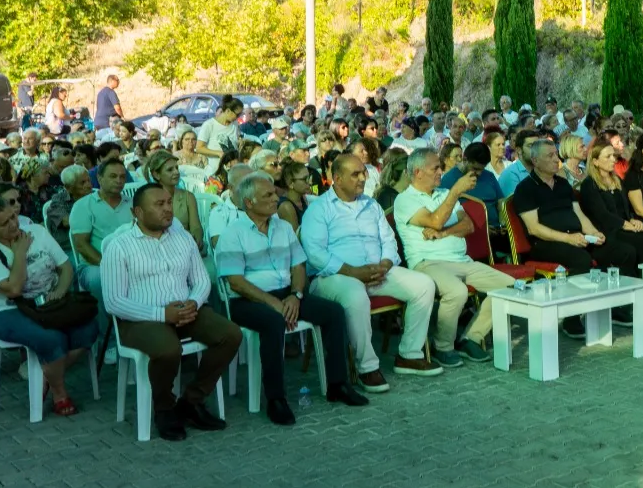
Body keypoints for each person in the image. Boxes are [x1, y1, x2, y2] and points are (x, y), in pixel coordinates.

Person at [217, 173, 366, 424]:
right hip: (247, 301)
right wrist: (273, 302)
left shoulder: (283, 227)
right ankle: (276, 399)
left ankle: (337, 384)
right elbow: (236, 282)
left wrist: (296, 295)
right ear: (249, 203)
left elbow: (299, 266)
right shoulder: (234, 233)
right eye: (268, 195)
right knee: (273, 321)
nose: (276, 198)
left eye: (275, 193)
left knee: (334, 312)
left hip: (287, 294)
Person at [103, 183, 241, 441]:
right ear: (138, 213)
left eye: (169, 202)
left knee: (230, 334)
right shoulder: (119, 246)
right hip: (140, 318)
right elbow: (113, 301)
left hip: (185, 310)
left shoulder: (183, 237)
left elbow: (201, 281)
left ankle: (191, 401)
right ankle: (164, 409)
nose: (168, 209)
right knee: (168, 349)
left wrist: (194, 303)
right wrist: (161, 314)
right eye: (159, 204)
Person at [301, 153, 443, 393]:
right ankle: (366, 367)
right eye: (355, 174)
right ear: (337, 178)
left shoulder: (371, 204)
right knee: (355, 294)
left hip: (377, 272)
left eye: (363, 172)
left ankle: (409, 354)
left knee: (424, 285)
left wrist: (386, 264)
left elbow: (388, 240)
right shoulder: (319, 209)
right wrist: (353, 272)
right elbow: (315, 253)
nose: (362, 178)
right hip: (333, 278)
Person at [0, 194, 97, 416]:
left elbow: (66, 267)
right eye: (4, 223)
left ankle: (46, 374)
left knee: (89, 329)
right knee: (53, 339)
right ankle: (60, 392)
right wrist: (19, 253)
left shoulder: (37, 232)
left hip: (49, 304)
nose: (13, 225)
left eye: (13, 217)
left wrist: (59, 292)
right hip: (10, 310)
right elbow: (14, 289)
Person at [393, 149, 513, 365]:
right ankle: (443, 346)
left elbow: (467, 226)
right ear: (418, 172)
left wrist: (443, 233)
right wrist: (455, 192)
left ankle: (471, 338)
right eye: (435, 168)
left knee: (509, 287)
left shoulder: (442, 193)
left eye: (440, 166)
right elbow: (435, 220)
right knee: (456, 291)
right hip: (427, 263)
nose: (440, 171)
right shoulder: (405, 199)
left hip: (461, 261)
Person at [509, 138, 636, 338]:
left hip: (576, 237)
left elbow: (579, 214)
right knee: (581, 259)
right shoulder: (526, 188)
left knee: (623, 251)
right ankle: (571, 318)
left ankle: (612, 307)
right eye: (549, 156)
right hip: (545, 243)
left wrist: (593, 232)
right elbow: (534, 229)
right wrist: (568, 239)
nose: (555, 159)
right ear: (535, 161)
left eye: (556, 154)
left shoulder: (562, 184)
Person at [577, 140, 643, 282]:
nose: (613, 159)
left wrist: (633, 220)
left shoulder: (616, 180)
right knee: (641, 243)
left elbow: (627, 208)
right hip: (607, 231)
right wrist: (626, 224)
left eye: (613, 155)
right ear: (595, 161)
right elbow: (602, 215)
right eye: (608, 157)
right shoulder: (589, 185)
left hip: (624, 227)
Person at [69, 159, 134, 299]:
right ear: (99, 178)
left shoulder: (132, 204)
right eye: (113, 176)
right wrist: (109, 265)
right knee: (100, 279)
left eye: (122, 177)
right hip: (95, 265)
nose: (119, 180)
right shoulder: (83, 205)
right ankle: (109, 320)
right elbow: (81, 245)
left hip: (132, 262)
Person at [143, 150, 204, 251]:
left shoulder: (188, 197)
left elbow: (196, 227)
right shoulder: (148, 200)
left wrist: (197, 239)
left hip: (186, 247)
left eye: (176, 168)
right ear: (156, 175)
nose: (176, 172)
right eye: (170, 170)